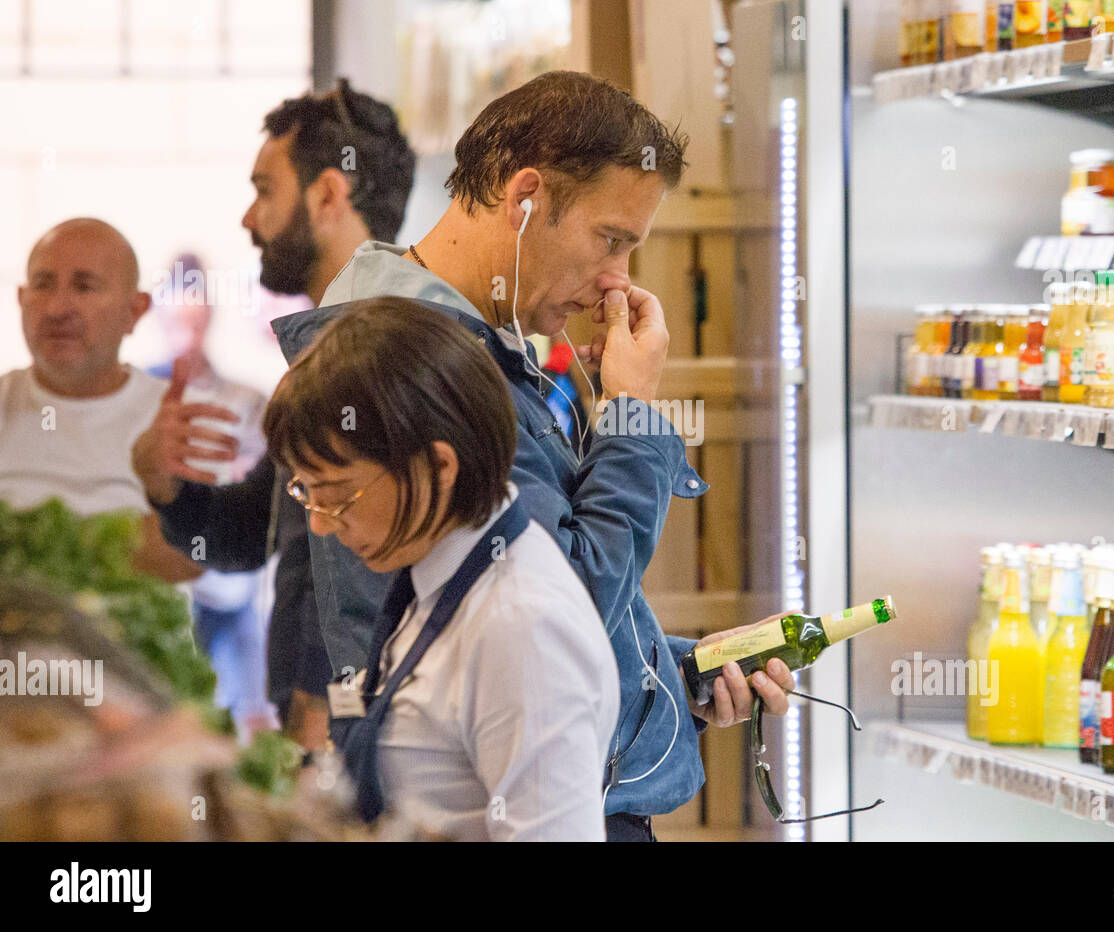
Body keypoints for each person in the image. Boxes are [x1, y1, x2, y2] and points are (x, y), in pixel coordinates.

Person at [272, 71, 795, 841]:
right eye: (610, 239)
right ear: (525, 199)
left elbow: (515, 622)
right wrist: (631, 415)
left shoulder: (466, 341)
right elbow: (559, 604)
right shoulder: (425, 370)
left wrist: (665, 669)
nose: (617, 280)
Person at [265, 297, 619, 840]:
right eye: (303, 493)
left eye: (335, 495)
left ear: (437, 467)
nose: (319, 524)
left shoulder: (520, 627)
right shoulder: (434, 573)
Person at [131, 80, 416, 745]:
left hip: (360, 739)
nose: (247, 218)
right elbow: (247, 536)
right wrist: (166, 482)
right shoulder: (316, 357)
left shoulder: (389, 352)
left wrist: (320, 716)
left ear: (327, 196)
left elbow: (367, 571)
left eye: (264, 191)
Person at [0, 218, 211, 583]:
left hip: (134, 639)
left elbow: (197, 558)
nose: (57, 308)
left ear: (135, 311)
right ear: (20, 299)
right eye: (43, 284)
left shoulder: (177, 418)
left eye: (84, 287)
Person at [148, 253, 277, 740]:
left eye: (195, 320)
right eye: (178, 321)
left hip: (230, 587)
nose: (187, 333)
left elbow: (267, 493)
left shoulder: (247, 402)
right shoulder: (139, 400)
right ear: (160, 317)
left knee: (245, 719)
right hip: (162, 586)